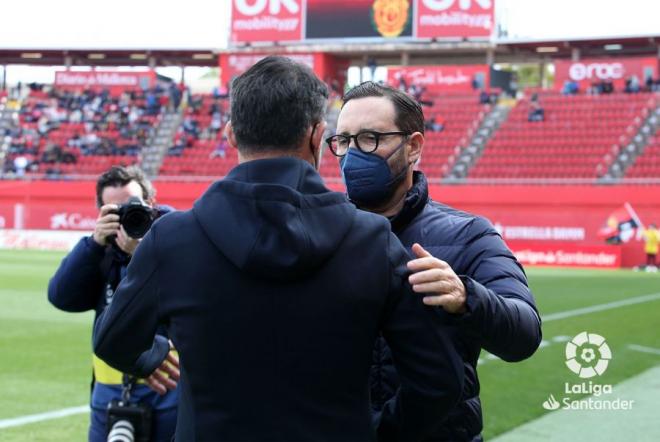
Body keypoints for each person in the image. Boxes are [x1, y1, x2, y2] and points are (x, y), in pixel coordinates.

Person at [93, 56, 464, 442]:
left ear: (232, 135)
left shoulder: (171, 239)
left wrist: (155, 358)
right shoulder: (372, 239)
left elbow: (113, 342)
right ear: (318, 136)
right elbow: (439, 381)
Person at [330, 81, 542, 442]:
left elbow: (524, 334)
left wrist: (466, 297)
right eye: (345, 141)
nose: (353, 154)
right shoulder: (323, 235)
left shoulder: (469, 234)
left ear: (413, 147)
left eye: (370, 138)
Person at [48, 166, 178, 442]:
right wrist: (94, 244)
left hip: (167, 385)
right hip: (110, 388)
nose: (126, 216)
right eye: (114, 209)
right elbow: (61, 296)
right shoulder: (99, 252)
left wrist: (142, 255)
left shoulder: (175, 241)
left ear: (151, 204)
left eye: (133, 206)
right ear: (100, 211)